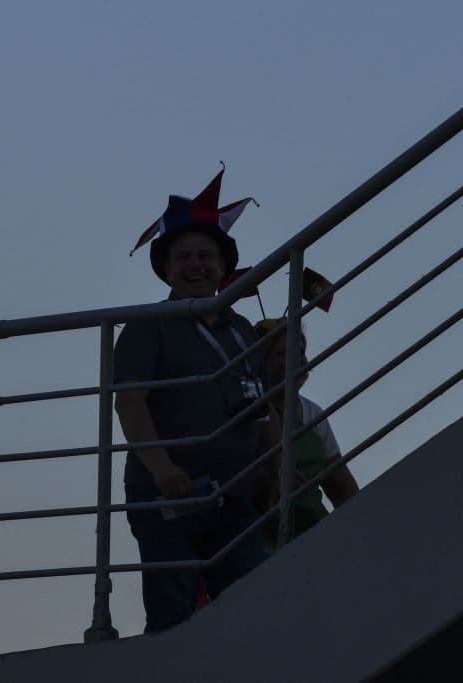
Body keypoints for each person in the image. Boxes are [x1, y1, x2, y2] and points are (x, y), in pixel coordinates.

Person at [115, 168, 266, 633]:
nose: (196, 264)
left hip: (236, 495)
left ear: (223, 268)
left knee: (248, 612)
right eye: (184, 257)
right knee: (172, 616)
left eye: (206, 255)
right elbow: (130, 403)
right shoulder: (147, 324)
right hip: (170, 496)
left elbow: (261, 404)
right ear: (166, 269)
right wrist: (162, 469)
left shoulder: (242, 330)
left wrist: (270, 464)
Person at [253, 318, 359, 551]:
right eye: (284, 353)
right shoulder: (245, 412)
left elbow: (342, 488)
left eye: (300, 351)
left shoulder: (313, 413)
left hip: (316, 535)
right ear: (259, 361)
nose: (299, 360)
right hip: (263, 542)